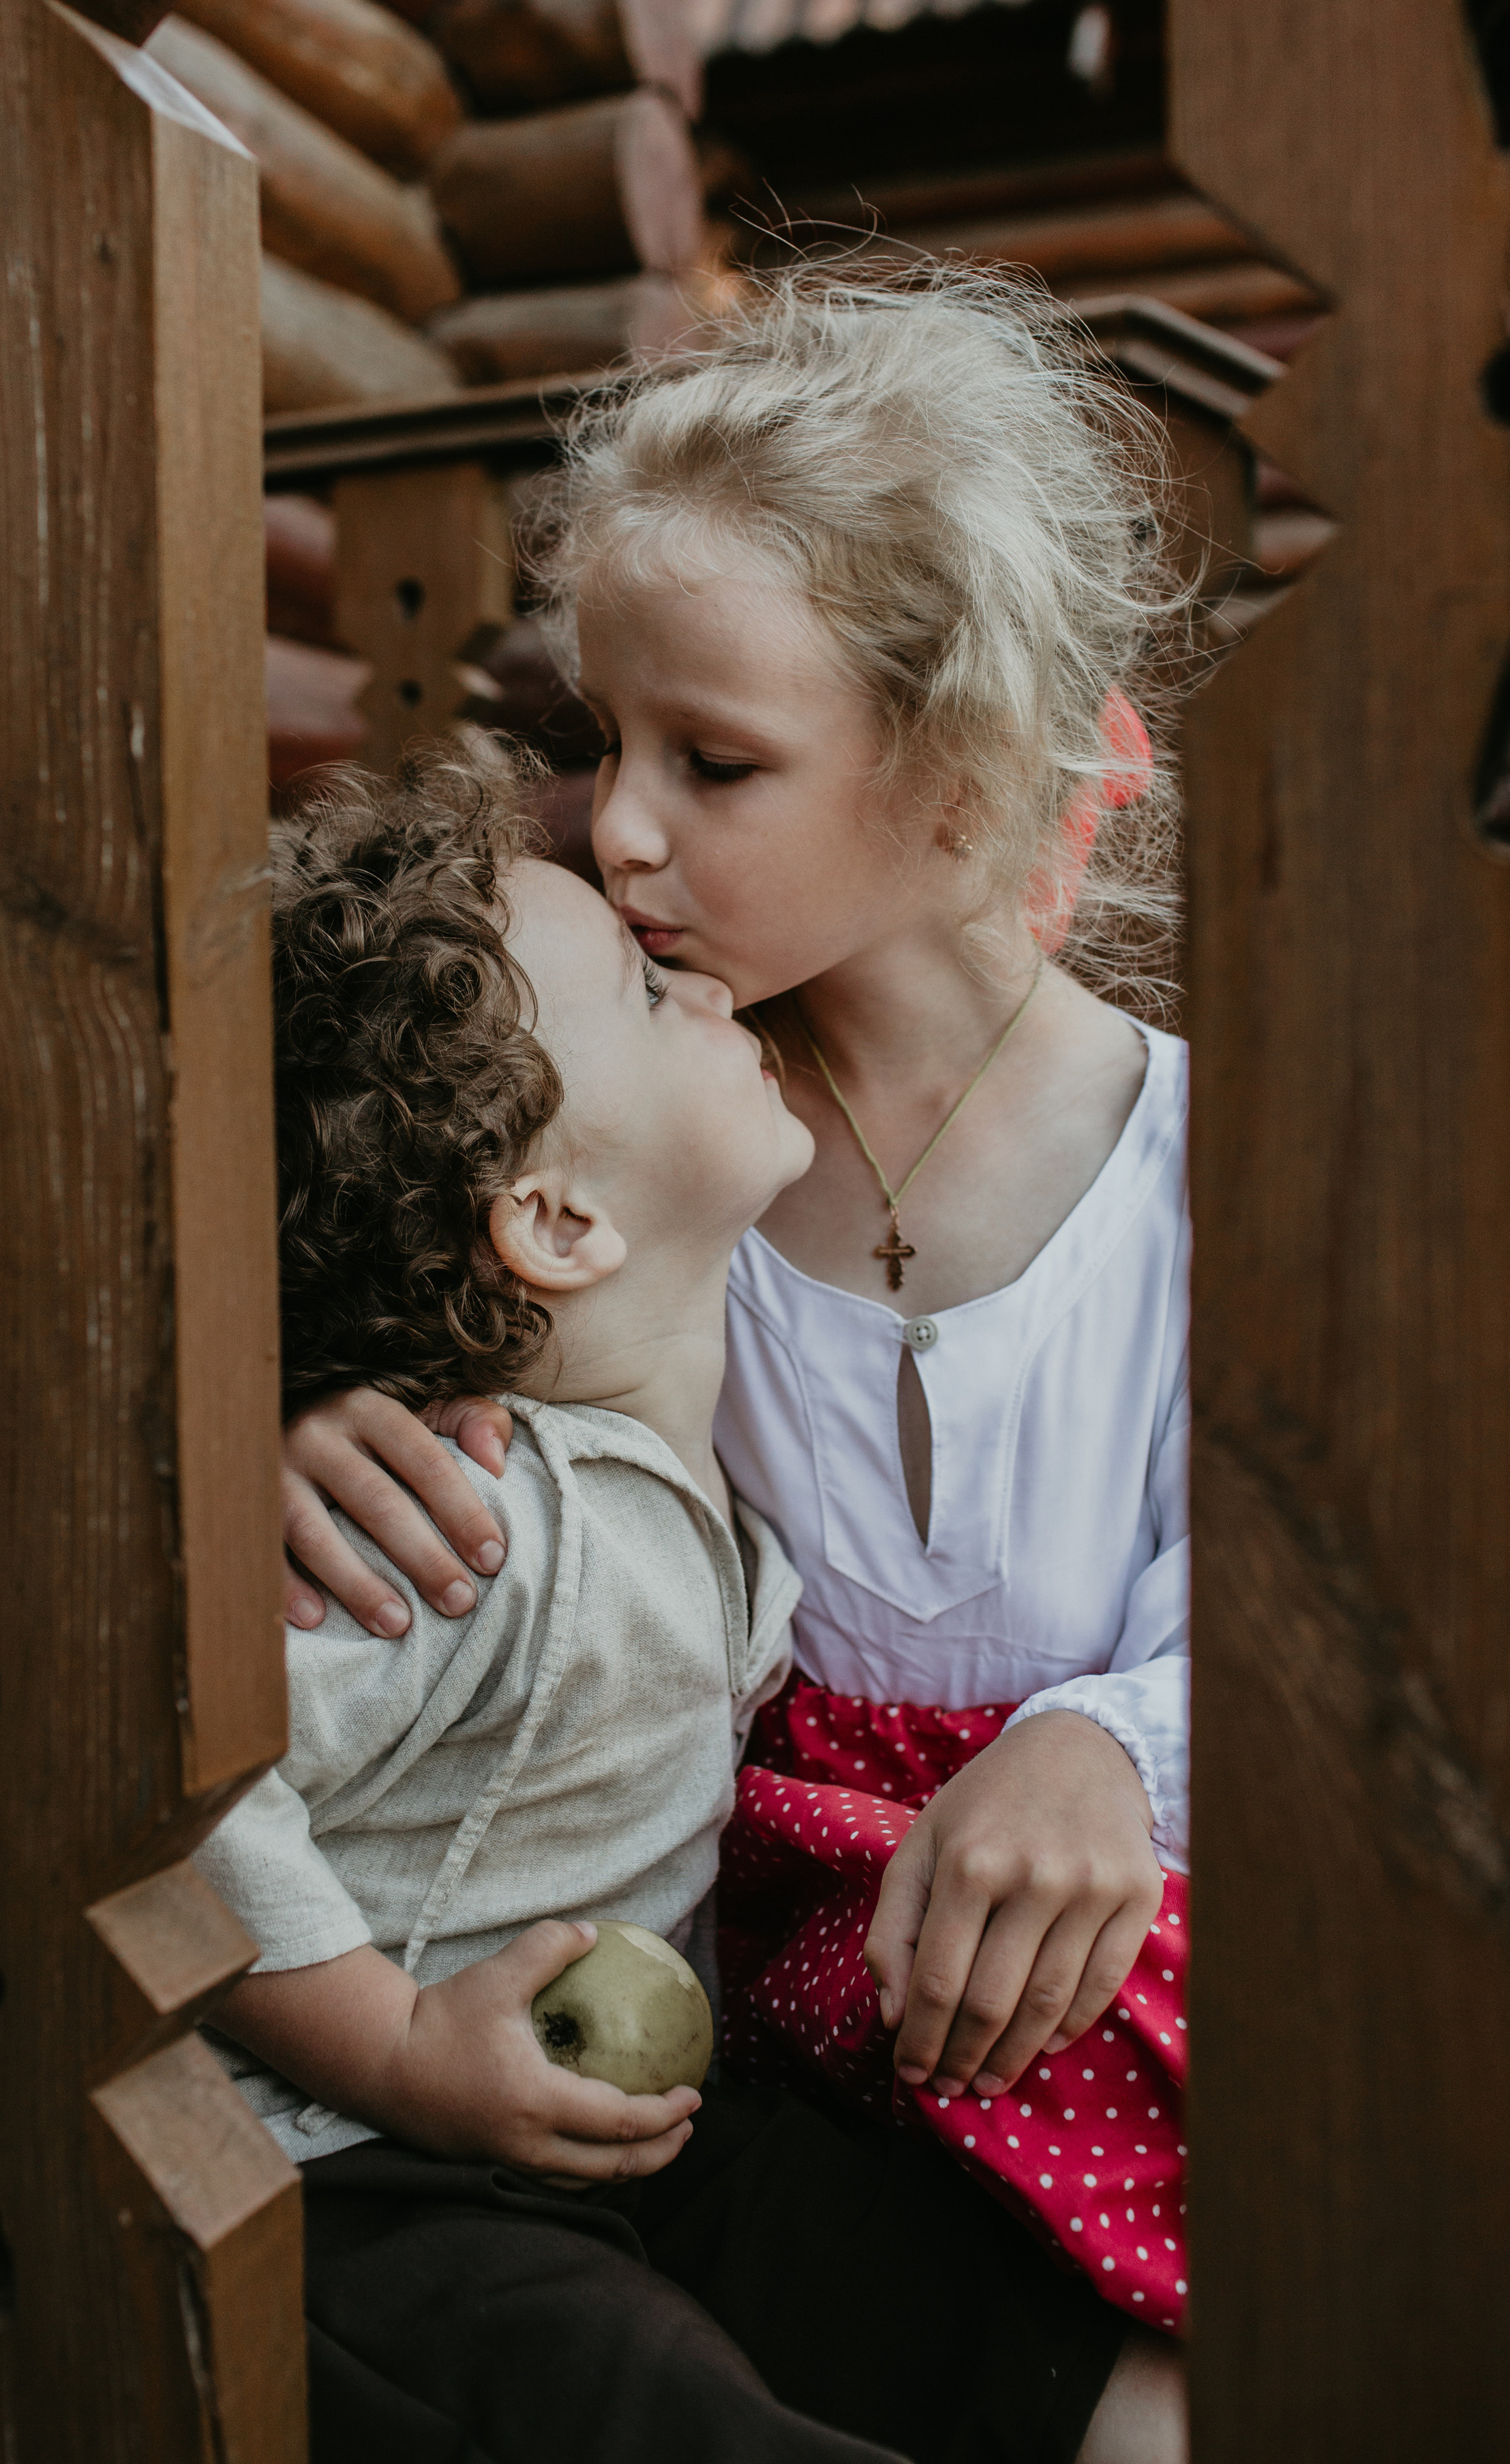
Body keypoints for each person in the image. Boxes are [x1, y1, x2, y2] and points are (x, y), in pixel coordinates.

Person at [277, 264, 1194, 2458]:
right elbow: (382, 1264)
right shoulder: (629, 1134)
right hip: (714, 2042)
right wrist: (295, 1412)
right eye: (605, 743)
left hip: (1088, 1993)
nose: (620, 830)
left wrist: (1121, 1748)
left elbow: (1347, 1590)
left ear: (963, 775)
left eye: (720, 761)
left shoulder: (1194, 1176)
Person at [200, 752, 1137, 2464]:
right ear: (556, 1221)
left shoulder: (707, 1478)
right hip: (365, 2172)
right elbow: (178, 1792)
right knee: (653, 2415)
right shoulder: (459, 1517)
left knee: (1014, 2330)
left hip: (634, 2138)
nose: (700, 978)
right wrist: (396, 2046)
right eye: (645, 991)